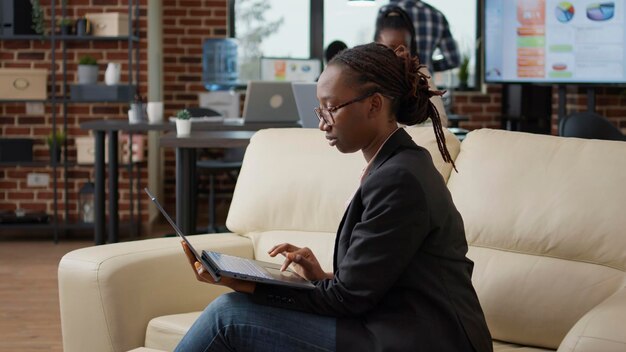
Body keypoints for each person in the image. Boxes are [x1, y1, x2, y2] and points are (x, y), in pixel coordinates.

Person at [175, 43, 492, 352]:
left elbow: (347, 300)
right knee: (233, 311)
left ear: (374, 105)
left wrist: (252, 286)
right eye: (320, 108)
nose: (322, 121)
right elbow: (375, 285)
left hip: (422, 340)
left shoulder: (399, 179)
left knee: (229, 316)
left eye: (331, 107)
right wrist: (319, 278)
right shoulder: (396, 165)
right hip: (391, 325)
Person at [375, 4, 448, 126]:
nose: (399, 53)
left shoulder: (420, 74)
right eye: (391, 47)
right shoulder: (369, 78)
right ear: (377, 46)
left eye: (405, 47)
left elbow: (440, 120)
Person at [390, 0, 460, 72]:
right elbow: (453, 60)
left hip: (393, 79)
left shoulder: (388, 11)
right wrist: (428, 66)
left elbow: (379, 54)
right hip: (425, 80)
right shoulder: (437, 15)